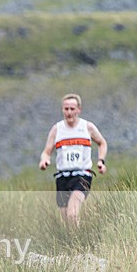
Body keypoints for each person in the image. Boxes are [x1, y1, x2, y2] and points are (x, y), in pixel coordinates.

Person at [39, 93, 108, 225]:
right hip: (62, 177)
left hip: (82, 176)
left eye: (72, 109)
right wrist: (44, 161)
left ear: (78, 110)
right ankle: (71, 243)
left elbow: (102, 143)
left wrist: (101, 161)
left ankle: (79, 244)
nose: (69, 112)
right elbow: (46, 152)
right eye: (66, 109)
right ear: (62, 110)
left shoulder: (87, 127)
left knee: (72, 214)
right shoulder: (56, 129)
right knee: (66, 220)